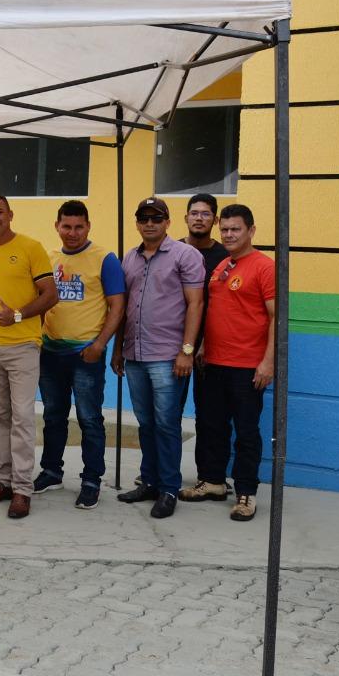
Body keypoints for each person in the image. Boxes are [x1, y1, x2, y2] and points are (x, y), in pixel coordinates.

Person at [113, 197, 206, 519]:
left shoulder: (186, 256)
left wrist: (187, 351)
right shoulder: (129, 259)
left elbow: (196, 305)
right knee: (146, 423)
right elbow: (122, 308)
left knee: (167, 424)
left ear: (168, 222)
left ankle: (169, 489)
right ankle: (149, 481)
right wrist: (117, 350)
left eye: (157, 218)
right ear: (137, 222)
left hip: (168, 356)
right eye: (144, 218)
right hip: (135, 355)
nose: (150, 223)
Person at [181, 205, 275, 522]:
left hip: (248, 367)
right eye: (225, 230)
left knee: (246, 432)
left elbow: (277, 317)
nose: (229, 235)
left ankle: (246, 493)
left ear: (251, 230)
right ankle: (213, 482)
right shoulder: (222, 265)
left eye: (236, 229)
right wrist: (204, 345)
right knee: (210, 426)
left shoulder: (265, 267)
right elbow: (217, 312)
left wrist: (268, 362)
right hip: (212, 364)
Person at [0, 193, 58, 520]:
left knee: (22, 419)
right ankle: (3, 482)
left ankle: (22, 489)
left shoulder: (30, 247)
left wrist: (19, 315)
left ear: (10, 214)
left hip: (22, 346)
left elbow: (51, 294)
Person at [35, 200, 125, 511]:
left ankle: (91, 480)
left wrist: (101, 344)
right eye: (66, 226)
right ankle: (51, 471)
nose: (72, 233)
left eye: (78, 227)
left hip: (86, 354)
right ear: (56, 226)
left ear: (88, 226)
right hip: (50, 352)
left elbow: (117, 306)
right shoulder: (49, 257)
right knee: (52, 416)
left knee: (89, 419)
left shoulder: (105, 259)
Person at [179, 193, 229, 488]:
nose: (199, 218)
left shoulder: (224, 257)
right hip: (171, 346)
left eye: (206, 214)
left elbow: (224, 306)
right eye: (194, 213)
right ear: (185, 218)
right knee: (166, 415)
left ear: (215, 220)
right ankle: (159, 473)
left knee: (210, 416)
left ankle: (210, 477)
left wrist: (205, 343)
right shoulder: (170, 250)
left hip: (210, 349)